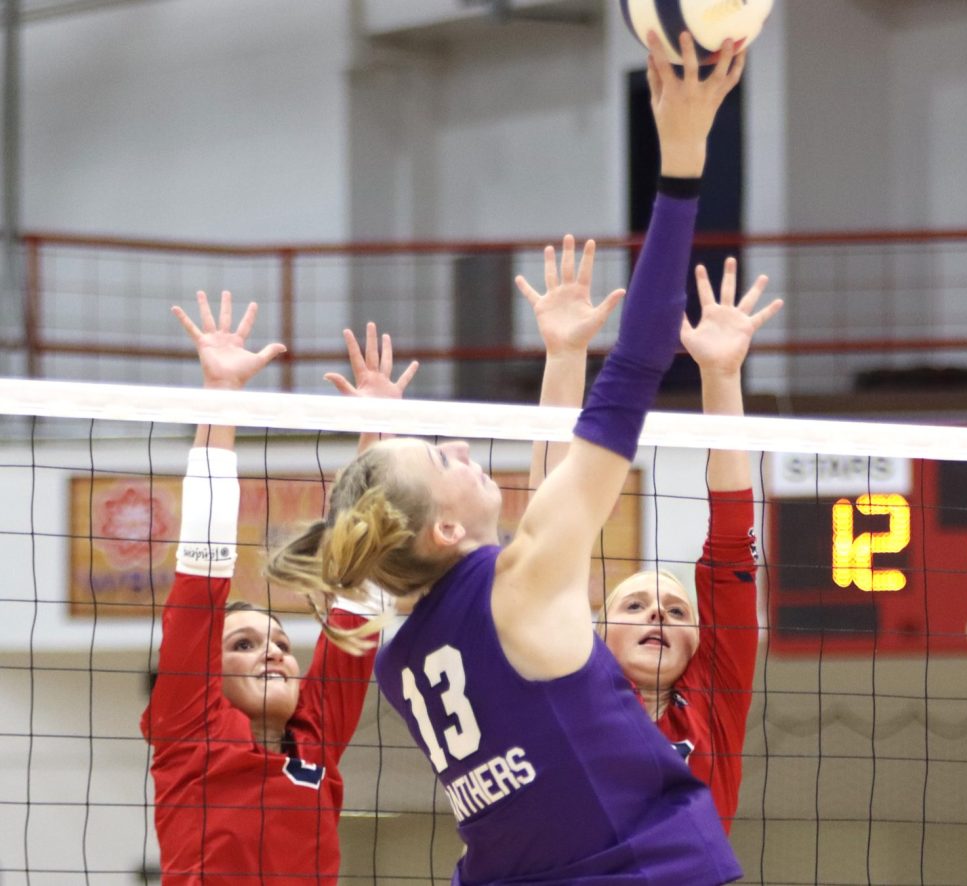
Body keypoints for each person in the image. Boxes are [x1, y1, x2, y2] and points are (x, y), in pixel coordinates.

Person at [269, 30, 746, 885]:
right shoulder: (517, 588)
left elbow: (545, 500)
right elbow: (636, 371)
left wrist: (560, 358)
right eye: (441, 457)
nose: (459, 444)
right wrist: (681, 163)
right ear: (446, 529)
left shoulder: (404, 653)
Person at [140, 292, 416, 885]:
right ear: (205, 677)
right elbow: (201, 572)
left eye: (281, 644)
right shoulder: (188, 728)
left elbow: (359, 592)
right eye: (243, 644)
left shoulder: (316, 735)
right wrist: (221, 394)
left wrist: (378, 435)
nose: (273, 652)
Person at [519, 242, 782, 834]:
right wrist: (565, 356)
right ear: (597, 633)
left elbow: (733, 536)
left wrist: (722, 376)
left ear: (700, 642)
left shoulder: (715, 701)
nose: (658, 614)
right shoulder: (571, 686)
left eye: (676, 610)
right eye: (634, 605)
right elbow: (547, 528)